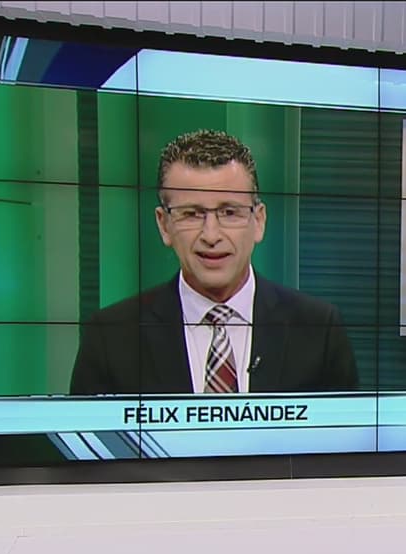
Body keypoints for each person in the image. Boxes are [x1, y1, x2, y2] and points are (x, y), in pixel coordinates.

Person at [70, 129, 358, 395]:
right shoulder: (111, 337)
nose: (211, 235)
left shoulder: (319, 330)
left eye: (229, 212)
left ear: (258, 221)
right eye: (191, 214)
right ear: (164, 225)